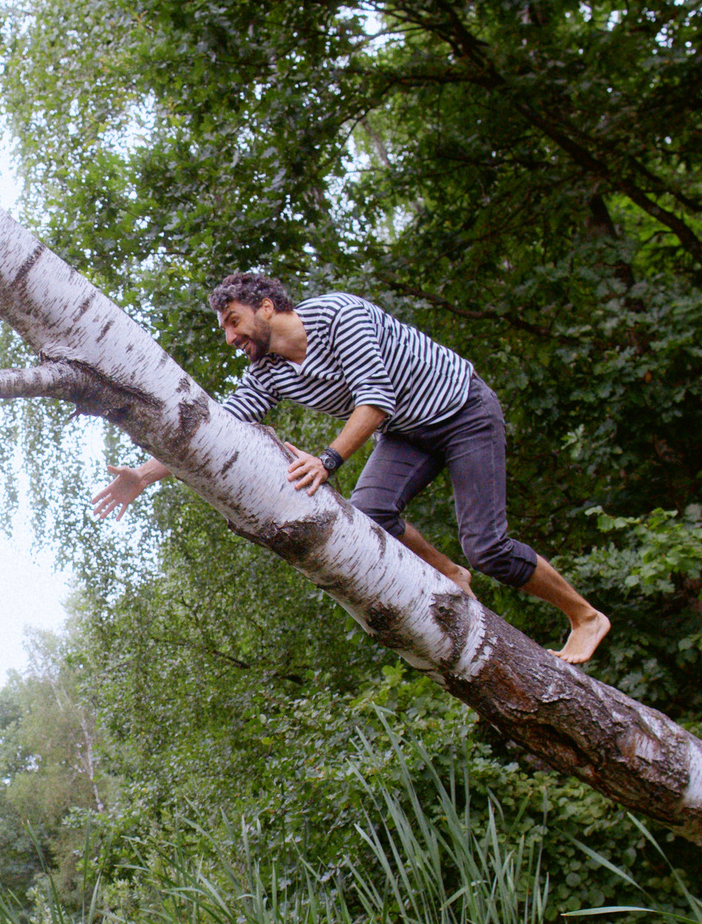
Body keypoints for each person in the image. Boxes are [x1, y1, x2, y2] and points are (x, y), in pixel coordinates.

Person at [92, 274, 611, 665]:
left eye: (233, 322)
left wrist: (328, 460)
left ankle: (585, 617)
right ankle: (451, 573)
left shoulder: (341, 316)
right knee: (370, 513)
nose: (230, 338)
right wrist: (143, 473)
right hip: (409, 431)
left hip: (461, 411)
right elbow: (217, 428)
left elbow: (376, 400)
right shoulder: (268, 372)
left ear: (266, 307)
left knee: (488, 545)